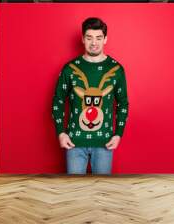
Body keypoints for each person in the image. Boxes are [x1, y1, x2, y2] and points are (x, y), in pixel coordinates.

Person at [52, 17, 129, 175]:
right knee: (75, 191)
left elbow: (123, 104)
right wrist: (61, 132)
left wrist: (118, 134)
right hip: (74, 142)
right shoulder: (70, 69)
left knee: (100, 193)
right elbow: (58, 101)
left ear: (105, 39)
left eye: (98, 38)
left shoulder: (117, 69)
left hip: (104, 143)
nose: (94, 42)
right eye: (89, 37)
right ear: (82, 39)